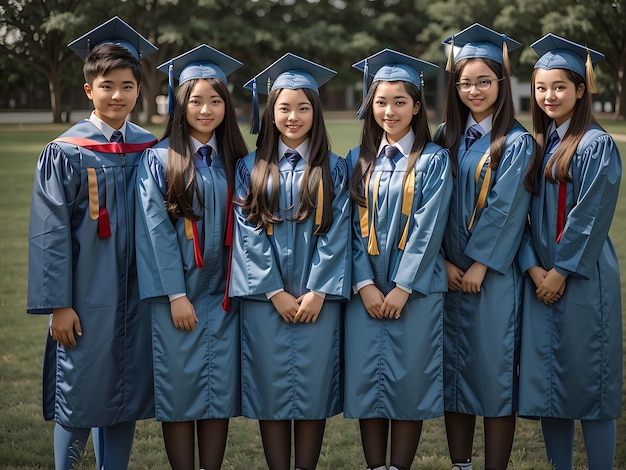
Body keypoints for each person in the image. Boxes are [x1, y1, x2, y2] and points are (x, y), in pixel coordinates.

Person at [26, 17, 158, 470]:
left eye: (126, 85)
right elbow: (49, 235)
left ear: (138, 91)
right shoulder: (65, 152)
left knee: (125, 388)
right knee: (80, 388)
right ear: (89, 91)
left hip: (138, 295)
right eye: (107, 86)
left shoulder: (150, 149)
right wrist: (57, 305)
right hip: (85, 296)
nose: (117, 95)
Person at [229, 53, 351, 470]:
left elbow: (338, 232)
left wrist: (319, 290)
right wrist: (274, 290)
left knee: (313, 389)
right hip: (268, 300)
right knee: (271, 389)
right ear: (270, 112)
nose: (293, 117)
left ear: (316, 113)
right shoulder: (250, 168)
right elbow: (247, 233)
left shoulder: (335, 168)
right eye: (284, 108)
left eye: (303, 108)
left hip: (319, 298)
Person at [135, 44, 248, 470]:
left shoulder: (238, 160)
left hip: (225, 294)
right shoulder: (158, 160)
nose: (206, 109)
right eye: (195, 100)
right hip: (179, 294)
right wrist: (174, 294)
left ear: (227, 106)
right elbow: (155, 234)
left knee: (218, 387)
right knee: (179, 388)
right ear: (179, 105)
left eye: (215, 100)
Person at [518, 33, 622, 470]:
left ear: (582, 89)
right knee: (549, 386)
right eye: (541, 88)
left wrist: (559, 272)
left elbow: (590, 217)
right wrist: (533, 269)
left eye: (559, 86)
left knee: (589, 383)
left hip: (582, 278)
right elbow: (517, 217)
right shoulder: (539, 145)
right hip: (539, 278)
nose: (549, 96)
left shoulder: (595, 145)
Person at [344, 49, 452, 470]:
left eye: (400, 102)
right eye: (381, 101)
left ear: (417, 107)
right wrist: (365, 284)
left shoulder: (433, 160)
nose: (389, 111)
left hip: (416, 292)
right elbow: (346, 230)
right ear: (370, 106)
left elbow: (429, 229)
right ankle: (375, 466)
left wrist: (403, 287)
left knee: (408, 381)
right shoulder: (357, 161)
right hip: (365, 291)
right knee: (369, 379)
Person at [434, 23, 534, 470]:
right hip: (446, 274)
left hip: (490, 279)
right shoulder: (443, 138)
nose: (474, 90)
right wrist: (442, 263)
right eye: (465, 82)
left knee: (492, 373)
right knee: (453, 371)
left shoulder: (515, 143)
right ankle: (460, 464)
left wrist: (477, 265)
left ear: (501, 84)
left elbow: (506, 209)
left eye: (484, 81)